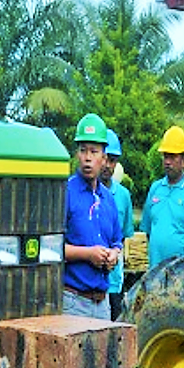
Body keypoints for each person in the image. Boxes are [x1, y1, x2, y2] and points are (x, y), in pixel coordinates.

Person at [63, 113, 122, 320]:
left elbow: (117, 242)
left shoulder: (109, 199)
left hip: (103, 304)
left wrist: (114, 255)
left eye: (94, 151)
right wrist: (88, 254)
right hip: (73, 301)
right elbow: (53, 248)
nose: (87, 157)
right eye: (83, 150)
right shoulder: (65, 192)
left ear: (104, 158)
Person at [141, 125, 184, 268]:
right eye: (165, 156)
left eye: (173, 156)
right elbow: (148, 231)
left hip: (181, 277)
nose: (167, 161)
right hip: (154, 273)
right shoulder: (155, 189)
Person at [102, 129, 134, 320]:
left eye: (112, 160)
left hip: (114, 281)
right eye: (105, 158)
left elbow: (123, 237)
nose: (107, 165)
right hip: (88, 282)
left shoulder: (123, 196)